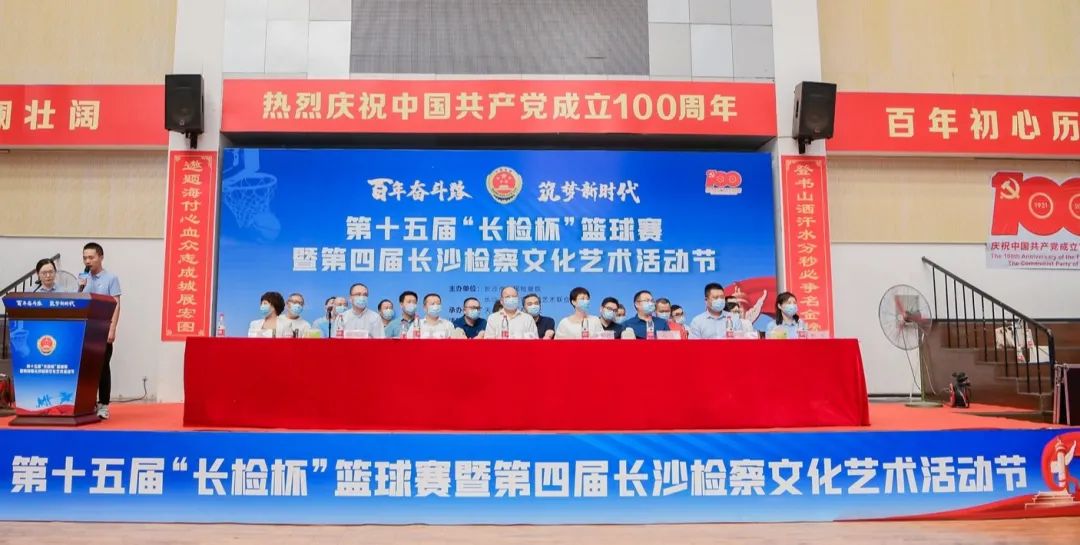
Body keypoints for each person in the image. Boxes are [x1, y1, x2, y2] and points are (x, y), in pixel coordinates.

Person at [80, 242, 121, 420]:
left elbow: (116, 304)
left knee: (103, 367)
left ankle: (104, 404)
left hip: (103, 329)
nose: (87, 261)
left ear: (101, 257)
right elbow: (78, 302)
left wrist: (112, 328)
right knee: (86, 368)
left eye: (91, 257)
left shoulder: (111, 278)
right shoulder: (83, 278)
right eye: (85, 258)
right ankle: (87, 403)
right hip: (85, 330)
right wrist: (81, 287)